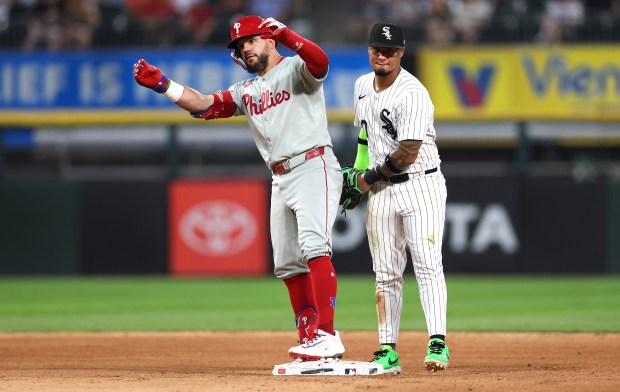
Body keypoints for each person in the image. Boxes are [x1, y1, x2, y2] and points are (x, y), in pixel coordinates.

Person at [133, 15, 344, 361]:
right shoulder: (247, 91)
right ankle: (309, 337)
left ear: (270, 40)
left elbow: (321, 62)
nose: (245, 48)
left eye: (251, 40)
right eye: (239, 45)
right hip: (280, 175)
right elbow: (203, 105)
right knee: (288, 263)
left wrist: (289, 35)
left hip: (312, 163)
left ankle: (328, 333)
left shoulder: (294, 69)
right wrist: (165, 85)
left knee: (314, 247)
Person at [350, 22, 449, 373]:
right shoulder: (362, 86)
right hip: (381, 190)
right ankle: (387, 347)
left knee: (426, 261)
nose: (383, 54)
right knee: (385, 272)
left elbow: (407, 152)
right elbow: (365, 138)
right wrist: (357, 174)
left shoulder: (413, 92)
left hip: (420, 184)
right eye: (377, 48)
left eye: (390, 50)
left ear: (401, 53)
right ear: (369, 49)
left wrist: (366, 179)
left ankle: (437, 342)